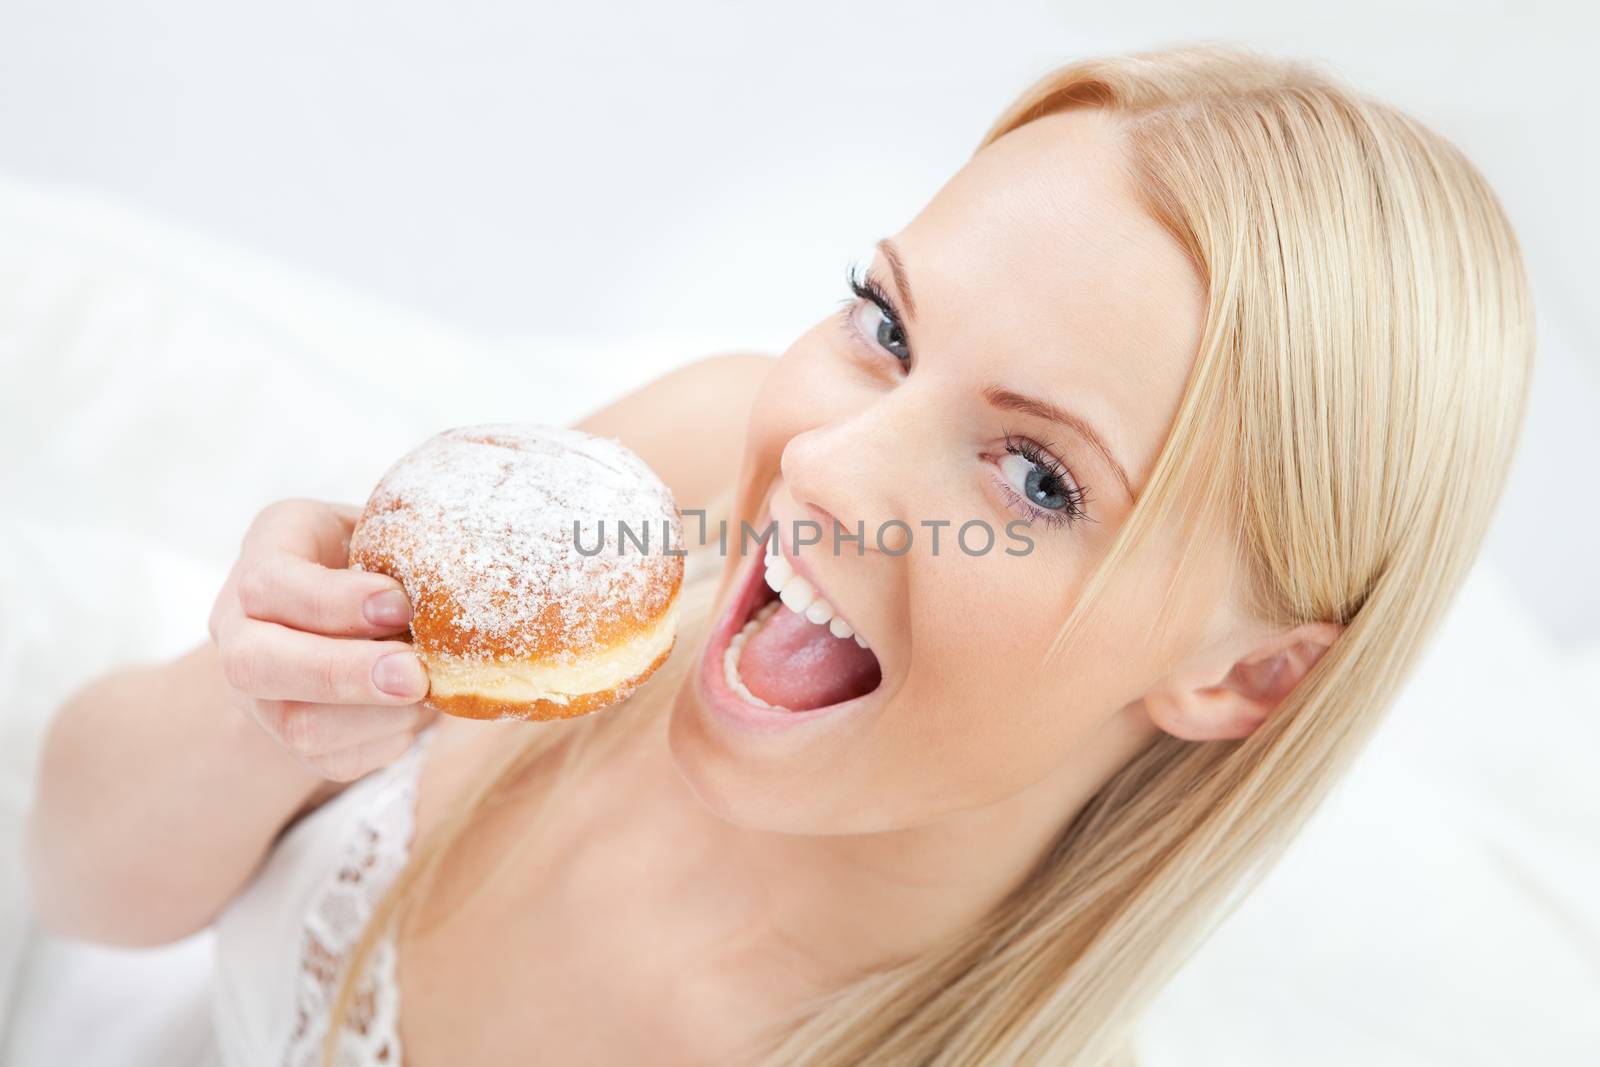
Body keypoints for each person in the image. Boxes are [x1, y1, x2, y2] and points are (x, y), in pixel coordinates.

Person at [23, 42, 1533, 1067]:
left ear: (1247, 672)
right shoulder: (673, 479)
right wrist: (260, 710)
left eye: (1036, 476)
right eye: (886, 327)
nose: (818, 458)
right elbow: (76, 882)